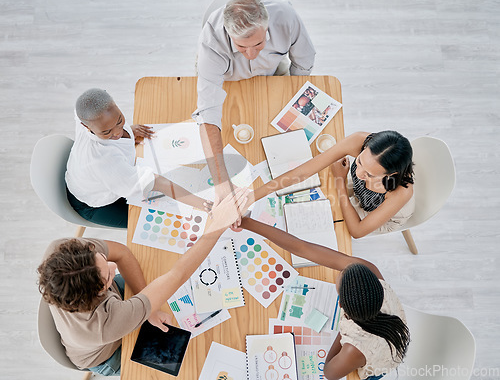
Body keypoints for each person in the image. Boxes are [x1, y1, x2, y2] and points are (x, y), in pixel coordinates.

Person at [37, 189, 249, 376]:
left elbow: (122, 254)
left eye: (103, 260)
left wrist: (149, 309)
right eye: (107, 278)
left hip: (109, 309)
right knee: (191, 363)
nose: (113, 268)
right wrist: (219, 225)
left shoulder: (62, 254)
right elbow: (177, 275)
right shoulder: (105, 325)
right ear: (96, 294)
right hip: (109, 355)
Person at [239, 217, 410, 380]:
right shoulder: (370, 272)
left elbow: (329, 372)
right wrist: (246, 222)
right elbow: (302, 248)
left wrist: (344, 333)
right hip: (387, 331)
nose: (342, 268)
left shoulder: (354, 348)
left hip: (376, 362)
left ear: (341, 305)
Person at [193, 0, 316, 204]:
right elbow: (208, 112)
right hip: (227, 79)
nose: (251, 54)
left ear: (266, 26)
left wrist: (294, 103)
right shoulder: (211, 40)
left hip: (273, 73)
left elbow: (304, 61)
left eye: (259, 44)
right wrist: (222, 184)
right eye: (241, 47)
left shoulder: (286, 16)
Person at [65, 88, 209, 228]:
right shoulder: (103, 160)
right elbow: (159, 182)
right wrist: (207, 206)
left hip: (91, 178)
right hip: (93, 204)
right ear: (86, 126)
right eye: (106, 132)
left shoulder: (87, 113)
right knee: (160, 220)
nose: (118, 133)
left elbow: (92, 105)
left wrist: (130, 131)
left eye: (119, 121)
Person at [250, 131, 415, 237]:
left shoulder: (401, 191)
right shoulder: (359, 141)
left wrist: (339, 181)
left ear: (390, 174)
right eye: (359, 162)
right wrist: (251, 196)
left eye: (369, 174)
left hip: (382, 212)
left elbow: (357, 231)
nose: (358, 173)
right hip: (358, 191)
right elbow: (304, 172)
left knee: (329, 227)